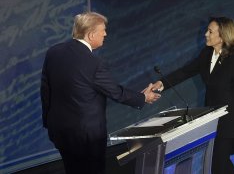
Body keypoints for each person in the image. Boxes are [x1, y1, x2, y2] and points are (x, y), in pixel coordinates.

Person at [40, 12, 161, 174]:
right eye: (103, 30)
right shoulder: (93, 63)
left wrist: (49, 123)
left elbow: (45, 90)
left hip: (60, 131)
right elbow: (115, 92)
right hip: (87, 138)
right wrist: (143, 97)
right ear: (90, 35)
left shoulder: (54, 52)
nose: (105, 34)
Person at [152, 17, 234, 174]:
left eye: (210, 31)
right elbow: (186, 71)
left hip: (229, 122)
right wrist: (162, 83)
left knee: (218, 164)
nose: (206, 34)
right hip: (212, 119)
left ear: (222, 36)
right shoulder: (206, 54)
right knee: (218, 163)